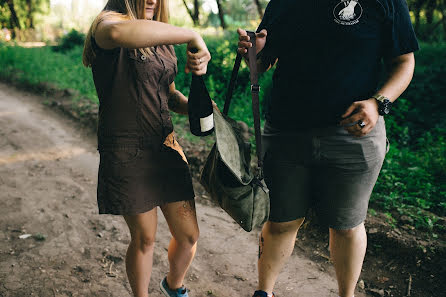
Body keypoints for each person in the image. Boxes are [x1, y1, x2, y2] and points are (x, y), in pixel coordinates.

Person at [237, 0, 418, 296]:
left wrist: (378, 103)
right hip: (286, 132)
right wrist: (252, 52)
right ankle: (264, 292)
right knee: (281, 221)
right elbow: (263, 61)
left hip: (354, 135)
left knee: (347, 226)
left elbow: (404, 62)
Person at [82, 0, 210, 296]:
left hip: (165, 147)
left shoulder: (163, 38)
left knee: (189, 236)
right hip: (126, 150)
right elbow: (117, 34)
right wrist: (191, 33)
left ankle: (173, 286)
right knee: (145, 239)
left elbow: (170, 94)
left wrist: (197, 107)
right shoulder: (106, 25)